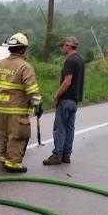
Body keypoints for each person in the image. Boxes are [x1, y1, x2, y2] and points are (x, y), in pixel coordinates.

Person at [0, 32, 42, 173]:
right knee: (17, 137)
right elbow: (32, 90)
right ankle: (12, 164)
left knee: (3, 135)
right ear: (23, 49)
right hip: (16, 109)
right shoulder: (25, 67)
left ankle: (3, 157)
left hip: (0, 109)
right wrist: (38, 105)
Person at [43, 36, 84, 165]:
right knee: (70, 128)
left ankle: (57, 155)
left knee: (60, 128)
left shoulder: (69, 61)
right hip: (75, 100)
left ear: (68, 46)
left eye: (63, 46)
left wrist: (56, 95)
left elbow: (67, 82)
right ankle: (66, 155)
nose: (62, 48)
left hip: (66, 99)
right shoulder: (80, 60)